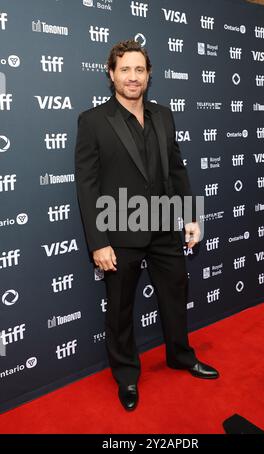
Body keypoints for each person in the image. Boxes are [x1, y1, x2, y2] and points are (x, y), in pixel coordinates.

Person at [75, 40, 219, 411]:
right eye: (125, 69)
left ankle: (181, 357)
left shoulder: (163, 115)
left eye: (139, 69)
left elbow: (177, 169)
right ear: (111, 74)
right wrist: (97, 242)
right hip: (119, 230)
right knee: (120, 310)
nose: (133, 77)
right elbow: (87, 186)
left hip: (162, 227)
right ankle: (126, 377)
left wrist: (190, 216)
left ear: (149, 75)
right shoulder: (92, 121)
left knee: (174, 298)